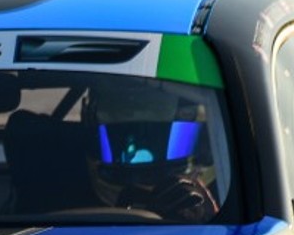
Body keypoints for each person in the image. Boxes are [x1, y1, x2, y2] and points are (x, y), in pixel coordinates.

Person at [85, 78, 220, 222]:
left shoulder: (234, 202)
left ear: (207, 148)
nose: (137, 156)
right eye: (118, 141)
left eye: (158, 140)